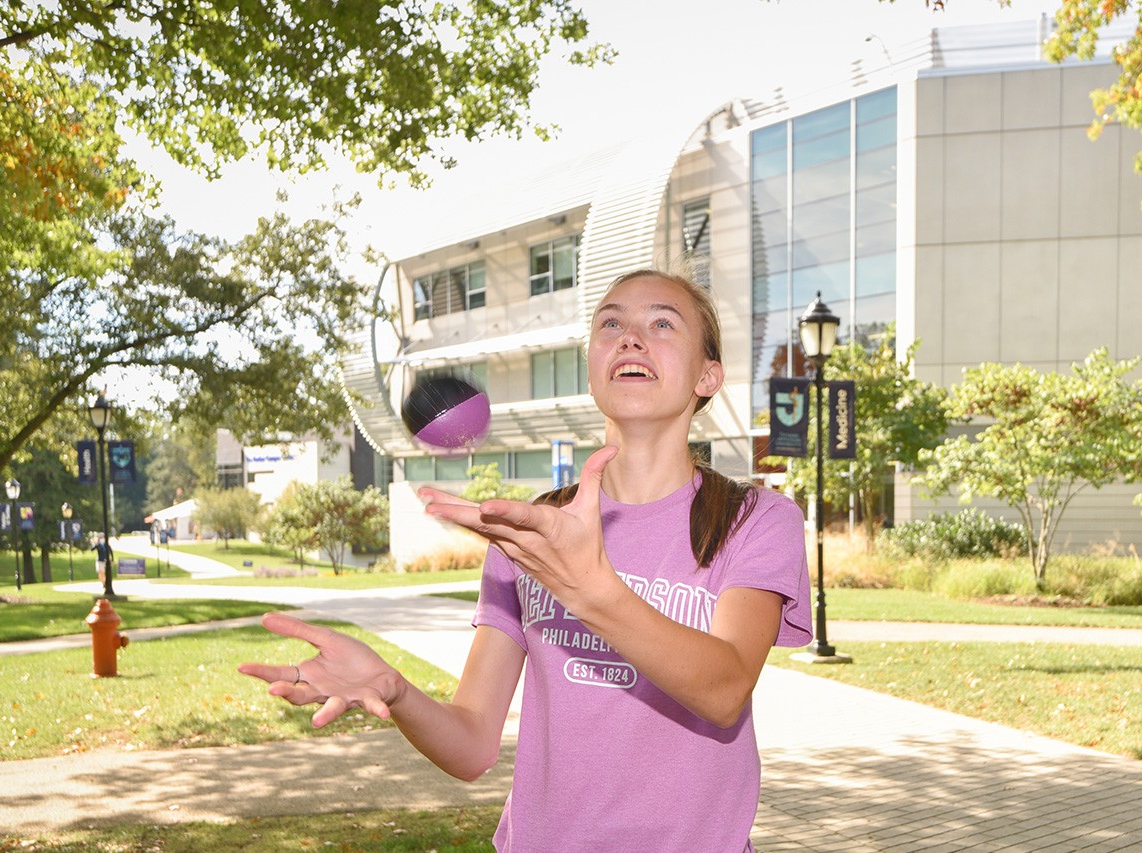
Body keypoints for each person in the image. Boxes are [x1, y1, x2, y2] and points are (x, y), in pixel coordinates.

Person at [240, 268, 813, 851]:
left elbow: (724, 689)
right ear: (593, 365)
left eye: (661, 323)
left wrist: (590, 589)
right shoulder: (530, 535)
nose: (630, 337)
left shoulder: (757, 520)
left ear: (707, 375)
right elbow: (471, 747)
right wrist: (396, 690)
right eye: (610, 323)